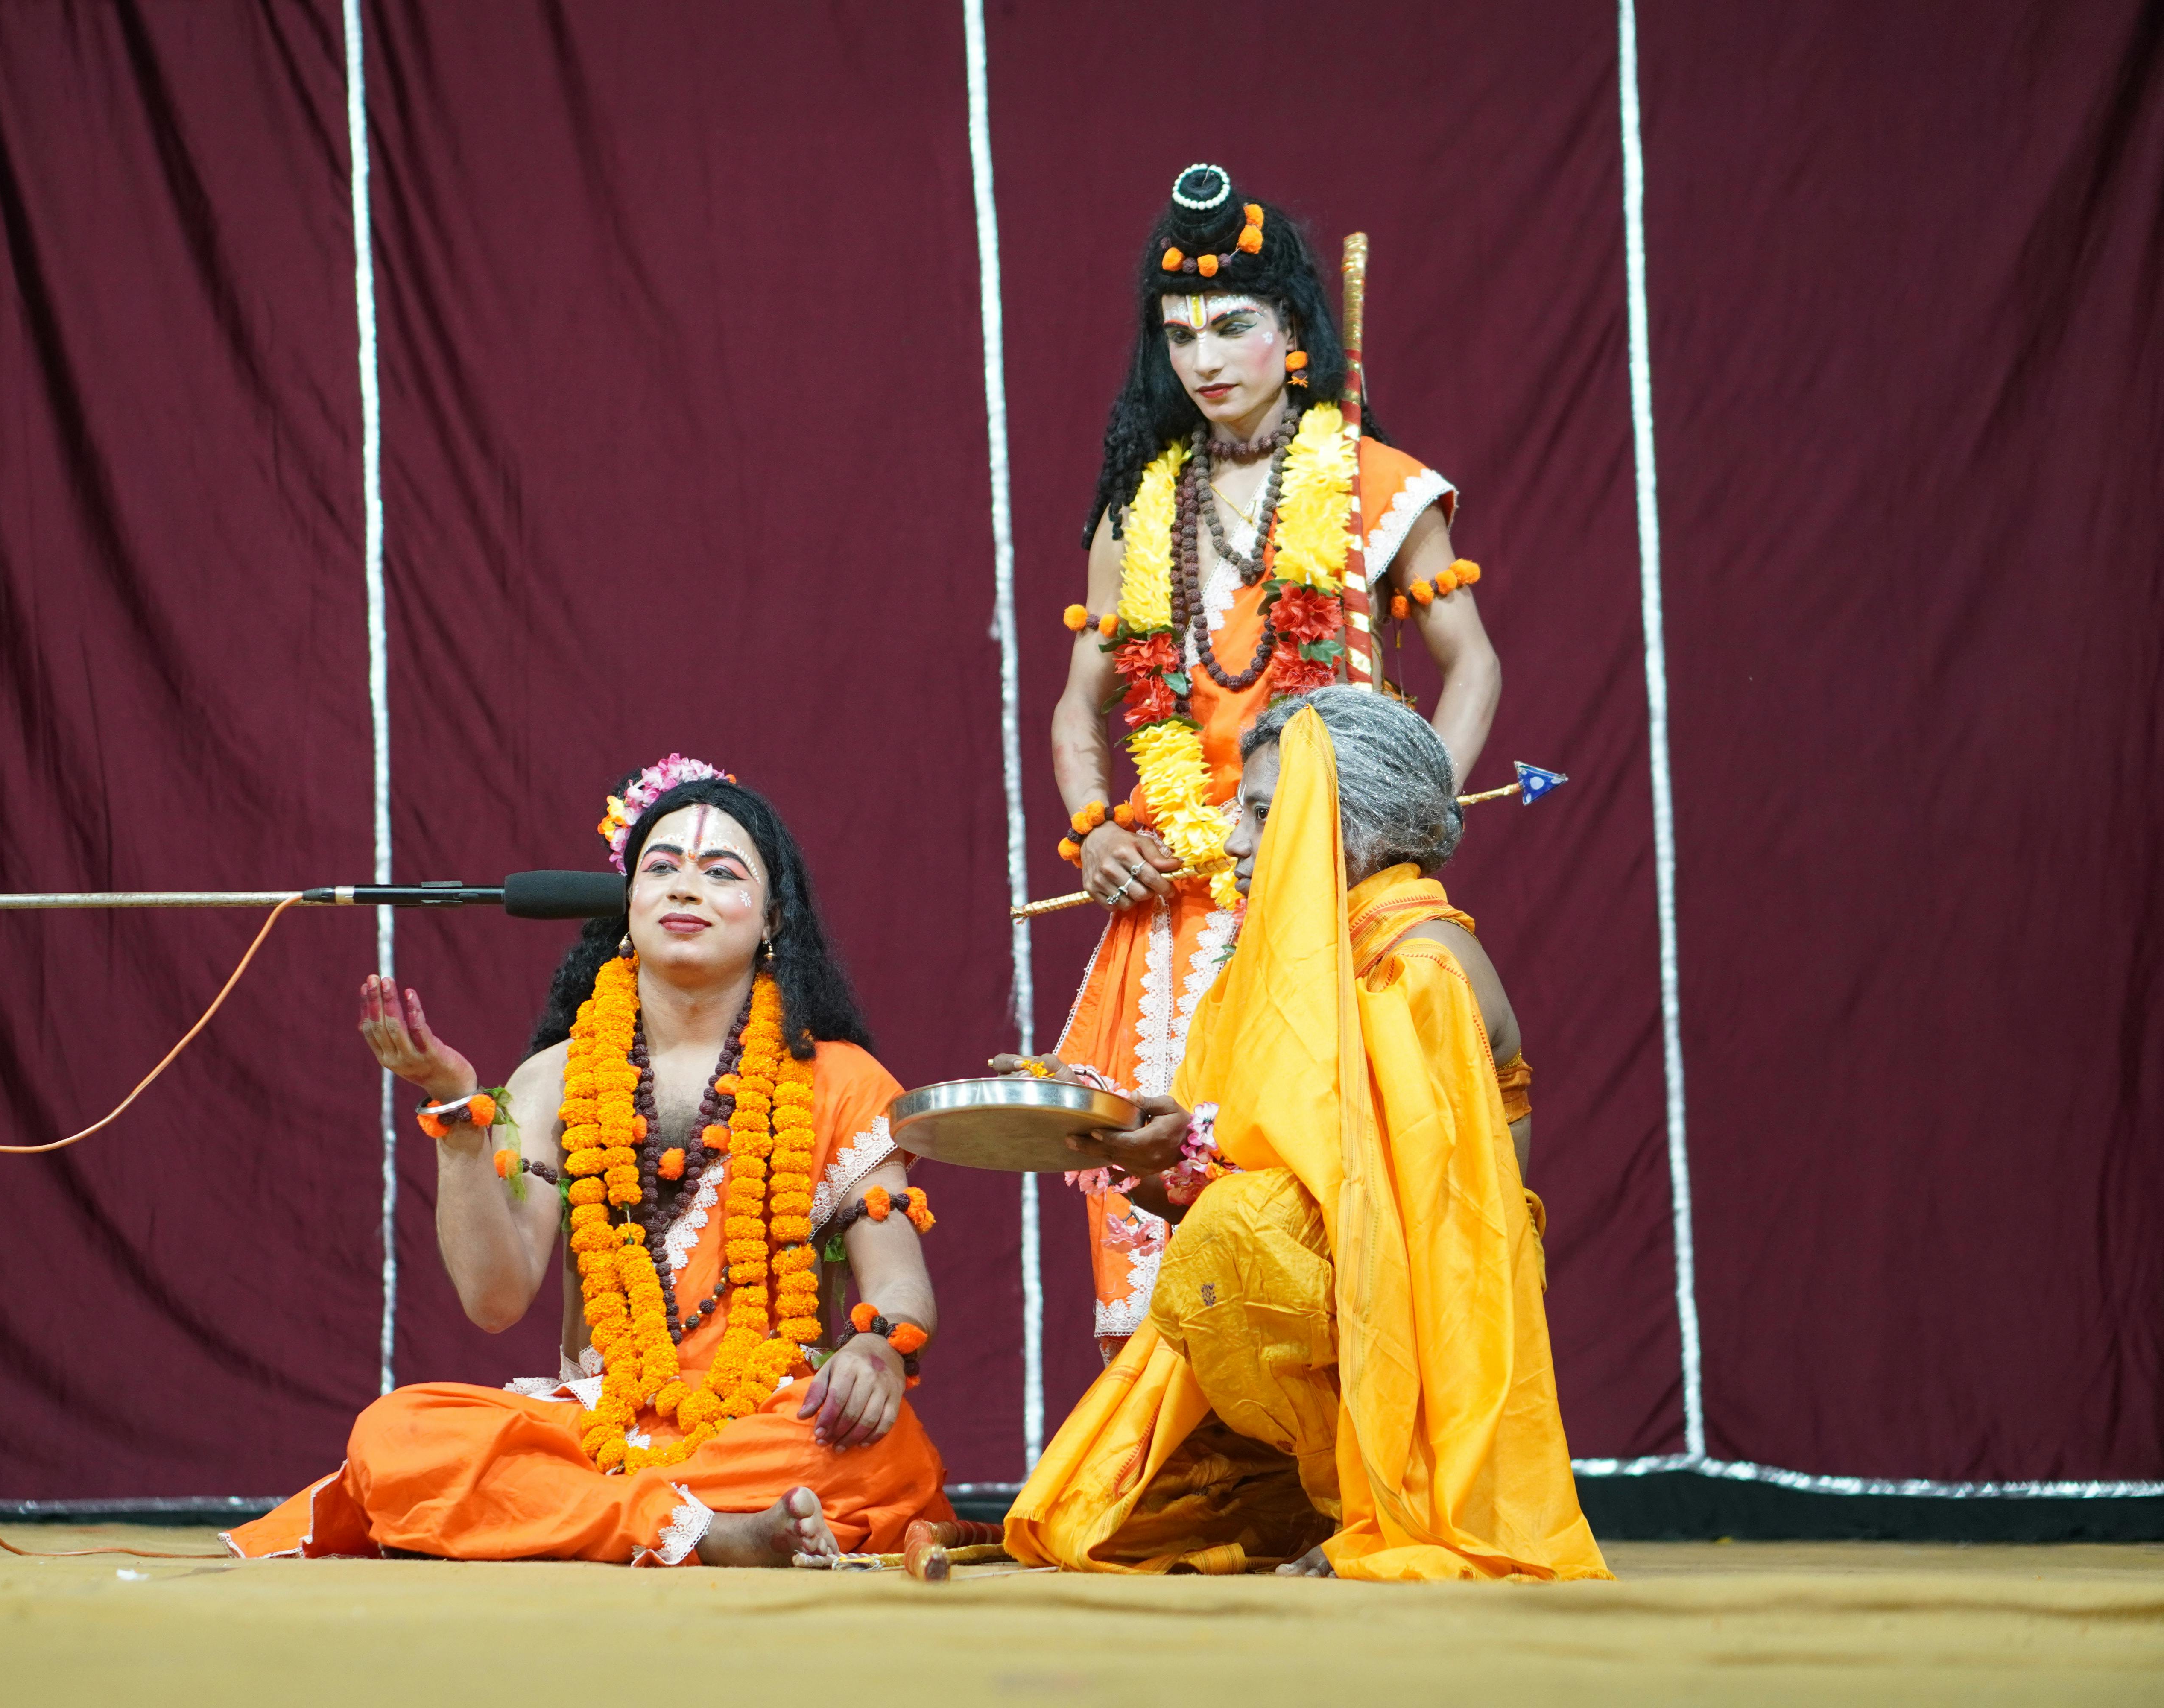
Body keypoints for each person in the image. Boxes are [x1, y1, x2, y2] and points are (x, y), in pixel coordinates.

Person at [224, 760, 952, 1567]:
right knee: (400, 1435)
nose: (685, 889)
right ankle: (705, 1532)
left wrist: (879, 1348)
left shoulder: (841, 1078)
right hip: (598, 1421)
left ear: (773, 916)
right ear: (626, 906)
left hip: (767, 1416)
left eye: (721, 873)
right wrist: (462, 1119)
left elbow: (897, 1280)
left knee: (884, 1453)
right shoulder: (551, 1080)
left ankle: (614, 1521)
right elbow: (495, 1303)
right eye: (662, 869)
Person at [1044, 164, 1502, 1346]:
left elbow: (1475, 667)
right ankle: (1153, 1477)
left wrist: (1403, 823)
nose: (1206, 358)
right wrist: (1097, 833)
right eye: (1181, 332)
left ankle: (1322, 1467)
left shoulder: (1370, 485)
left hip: (1315, 888)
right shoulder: (1137, 513)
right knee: (1148, 1173)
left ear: (1296, 329)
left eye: (1236, 324)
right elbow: (1075, 710)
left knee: (1306, 1174)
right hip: (1170, 899)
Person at [1004, 690, 1607, 1580]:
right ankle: (1309, 1490)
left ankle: (1386, 1501)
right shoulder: (1282, 965)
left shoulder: (1420, 961)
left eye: (1258, 812)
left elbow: (1402, 1222)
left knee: (1239, 1229)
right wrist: (1135, 1158)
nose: (1234, 843)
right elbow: (1227, 1191)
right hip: (1339, 1291)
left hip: (1435, 1308)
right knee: (1100, 1519)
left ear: (1345, 816)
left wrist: (1200, 1155)